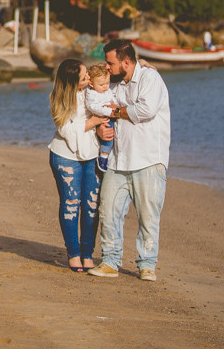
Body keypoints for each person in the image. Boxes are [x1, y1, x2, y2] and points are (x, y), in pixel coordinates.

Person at [88, 39, 171, 282]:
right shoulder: (115, 84)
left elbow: (145, 110)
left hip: (148, 159)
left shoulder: (150, 78)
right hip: (118, 159)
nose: (107, 67)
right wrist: (99, 128)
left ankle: (147, 265)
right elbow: (99, 103)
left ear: (126, 62)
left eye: (110, 63)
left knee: (148, 216)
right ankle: (110, 261)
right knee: (108, 211)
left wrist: (117, 111)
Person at [47, 58, 110, 272]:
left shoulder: (93, 92)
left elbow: (108, 80)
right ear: (72, 82)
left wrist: (143, 64)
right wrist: (93, 122)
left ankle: (87, 252)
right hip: (65, 155)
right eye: (84, 78)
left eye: (87, 75)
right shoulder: (57, 97)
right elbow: (66, 130)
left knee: (91, 205)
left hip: (92, 154)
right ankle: (73, 252)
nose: (89, 79)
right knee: (71, 203)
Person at [83, 64, 120, 172]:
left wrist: (116, 107)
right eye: (101, 84)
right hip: (102, 117)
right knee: (108, 135)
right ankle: (103, 155)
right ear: (91, 84)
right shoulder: (91, 94)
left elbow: (113, 99)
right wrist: (110, 112)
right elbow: (92, 107)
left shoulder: (107, 90)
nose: (105, 87)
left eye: (107, 83)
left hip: (111, 114)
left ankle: (110, 154)